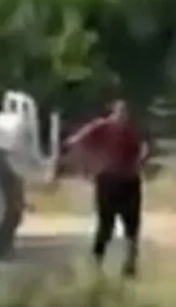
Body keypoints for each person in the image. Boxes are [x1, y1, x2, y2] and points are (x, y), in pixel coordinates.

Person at [60, 100, 148, 276]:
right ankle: (97, 264)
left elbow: (143, 149)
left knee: (131, 226)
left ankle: (129, 265)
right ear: (113, 112)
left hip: (127, 180)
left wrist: (141, 160)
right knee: (107, 225)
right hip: (110, 180)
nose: (122, 116)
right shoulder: (102, 127)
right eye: (120, 113)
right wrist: (84, 165)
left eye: (125, 113)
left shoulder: (130, 131)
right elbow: (75, 141)